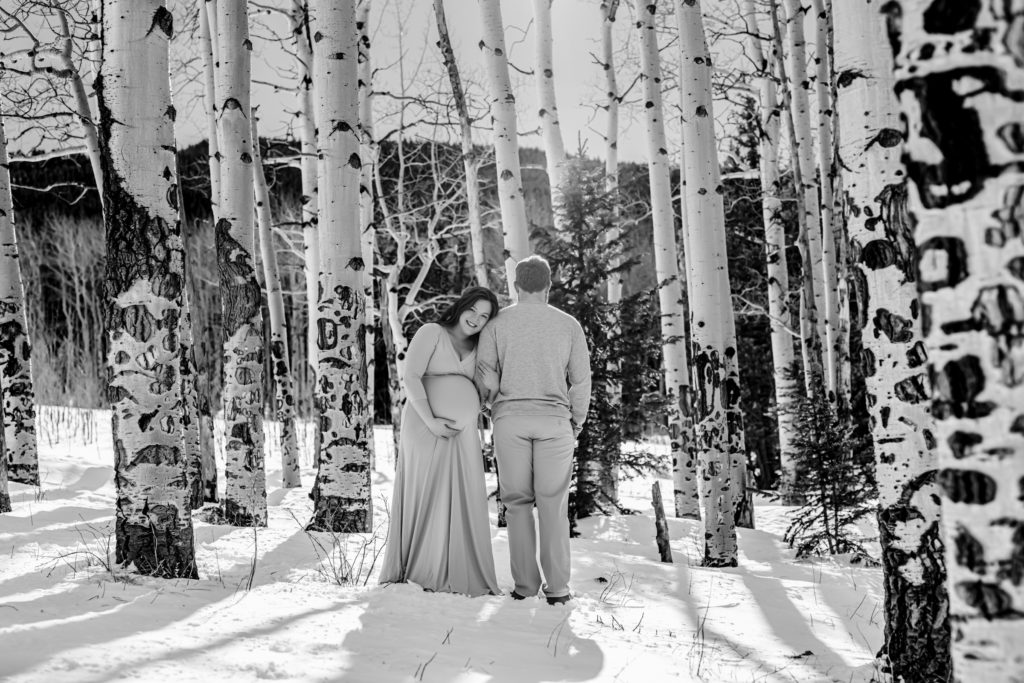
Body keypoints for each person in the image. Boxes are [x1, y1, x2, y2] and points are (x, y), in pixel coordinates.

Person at [476, 255, 592, 605]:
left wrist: (490, 407)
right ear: (548, 286)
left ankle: (525, 586)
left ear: (516, 285)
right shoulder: (568, 324)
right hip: (555, 422)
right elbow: (581, 380)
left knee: (516, 503)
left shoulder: (496, 324)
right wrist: (577, 420)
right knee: (553, 504)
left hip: (510, 420)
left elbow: (485, 372)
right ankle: (557, 589)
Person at [379, 287, 502, 597]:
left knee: (462, 497)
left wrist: (493, 386)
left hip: (463, 434)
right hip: (424, 424)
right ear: (461, 306)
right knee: (427, 492)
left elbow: (485, 402)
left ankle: (456, 570)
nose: (476, 319)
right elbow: (411, 377)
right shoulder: (431, 332)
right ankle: (421, 570)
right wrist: (431, 421)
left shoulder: (480, 347)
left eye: (484, 316)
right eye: (473, 310)